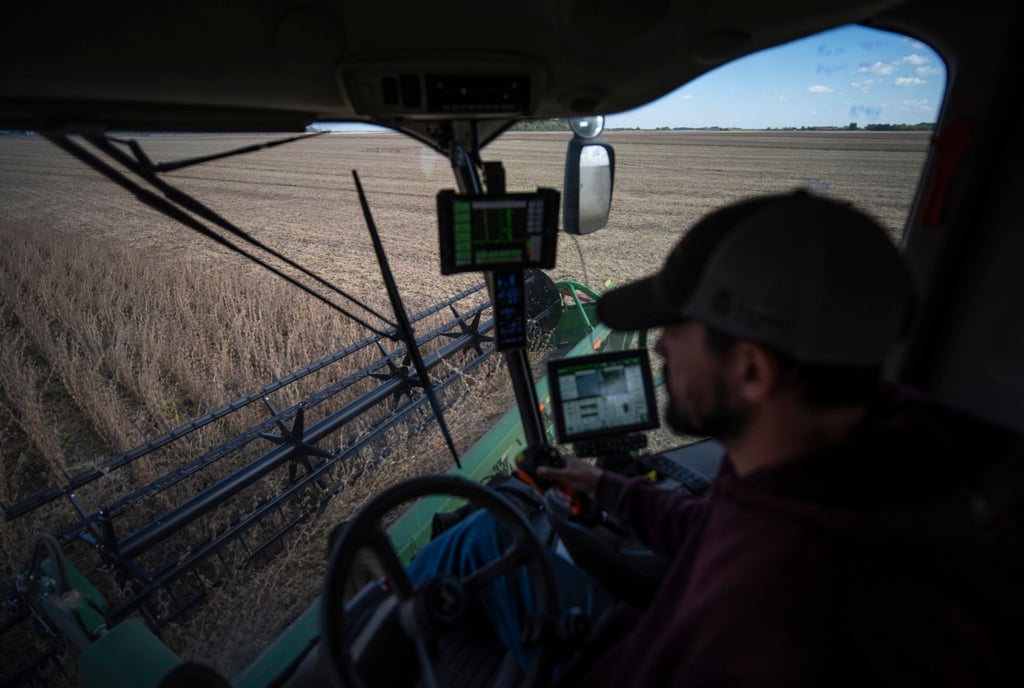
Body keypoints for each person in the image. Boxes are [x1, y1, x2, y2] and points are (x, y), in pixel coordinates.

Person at [410, 190, 1024, 686]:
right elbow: (714, 530)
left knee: (481, 541)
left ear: (753, 370)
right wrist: (605, 487)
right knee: (491, 532)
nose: (660, 346)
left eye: (678, 329)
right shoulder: (869, 444)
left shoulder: (772, 618)